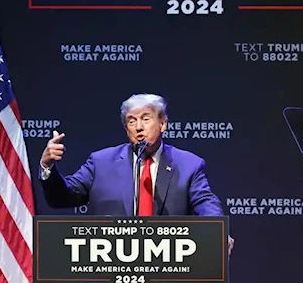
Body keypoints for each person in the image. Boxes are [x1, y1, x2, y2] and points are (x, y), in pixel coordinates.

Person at [39, 93, 234, 253]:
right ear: (126, 129)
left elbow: (206, 202)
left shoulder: (188, 164)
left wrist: (217, 231)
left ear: (163, 124)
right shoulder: (101, 162)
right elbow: (62, 198)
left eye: (146, 119)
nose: (139, 127)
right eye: (131, 121)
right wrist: (48, 167)